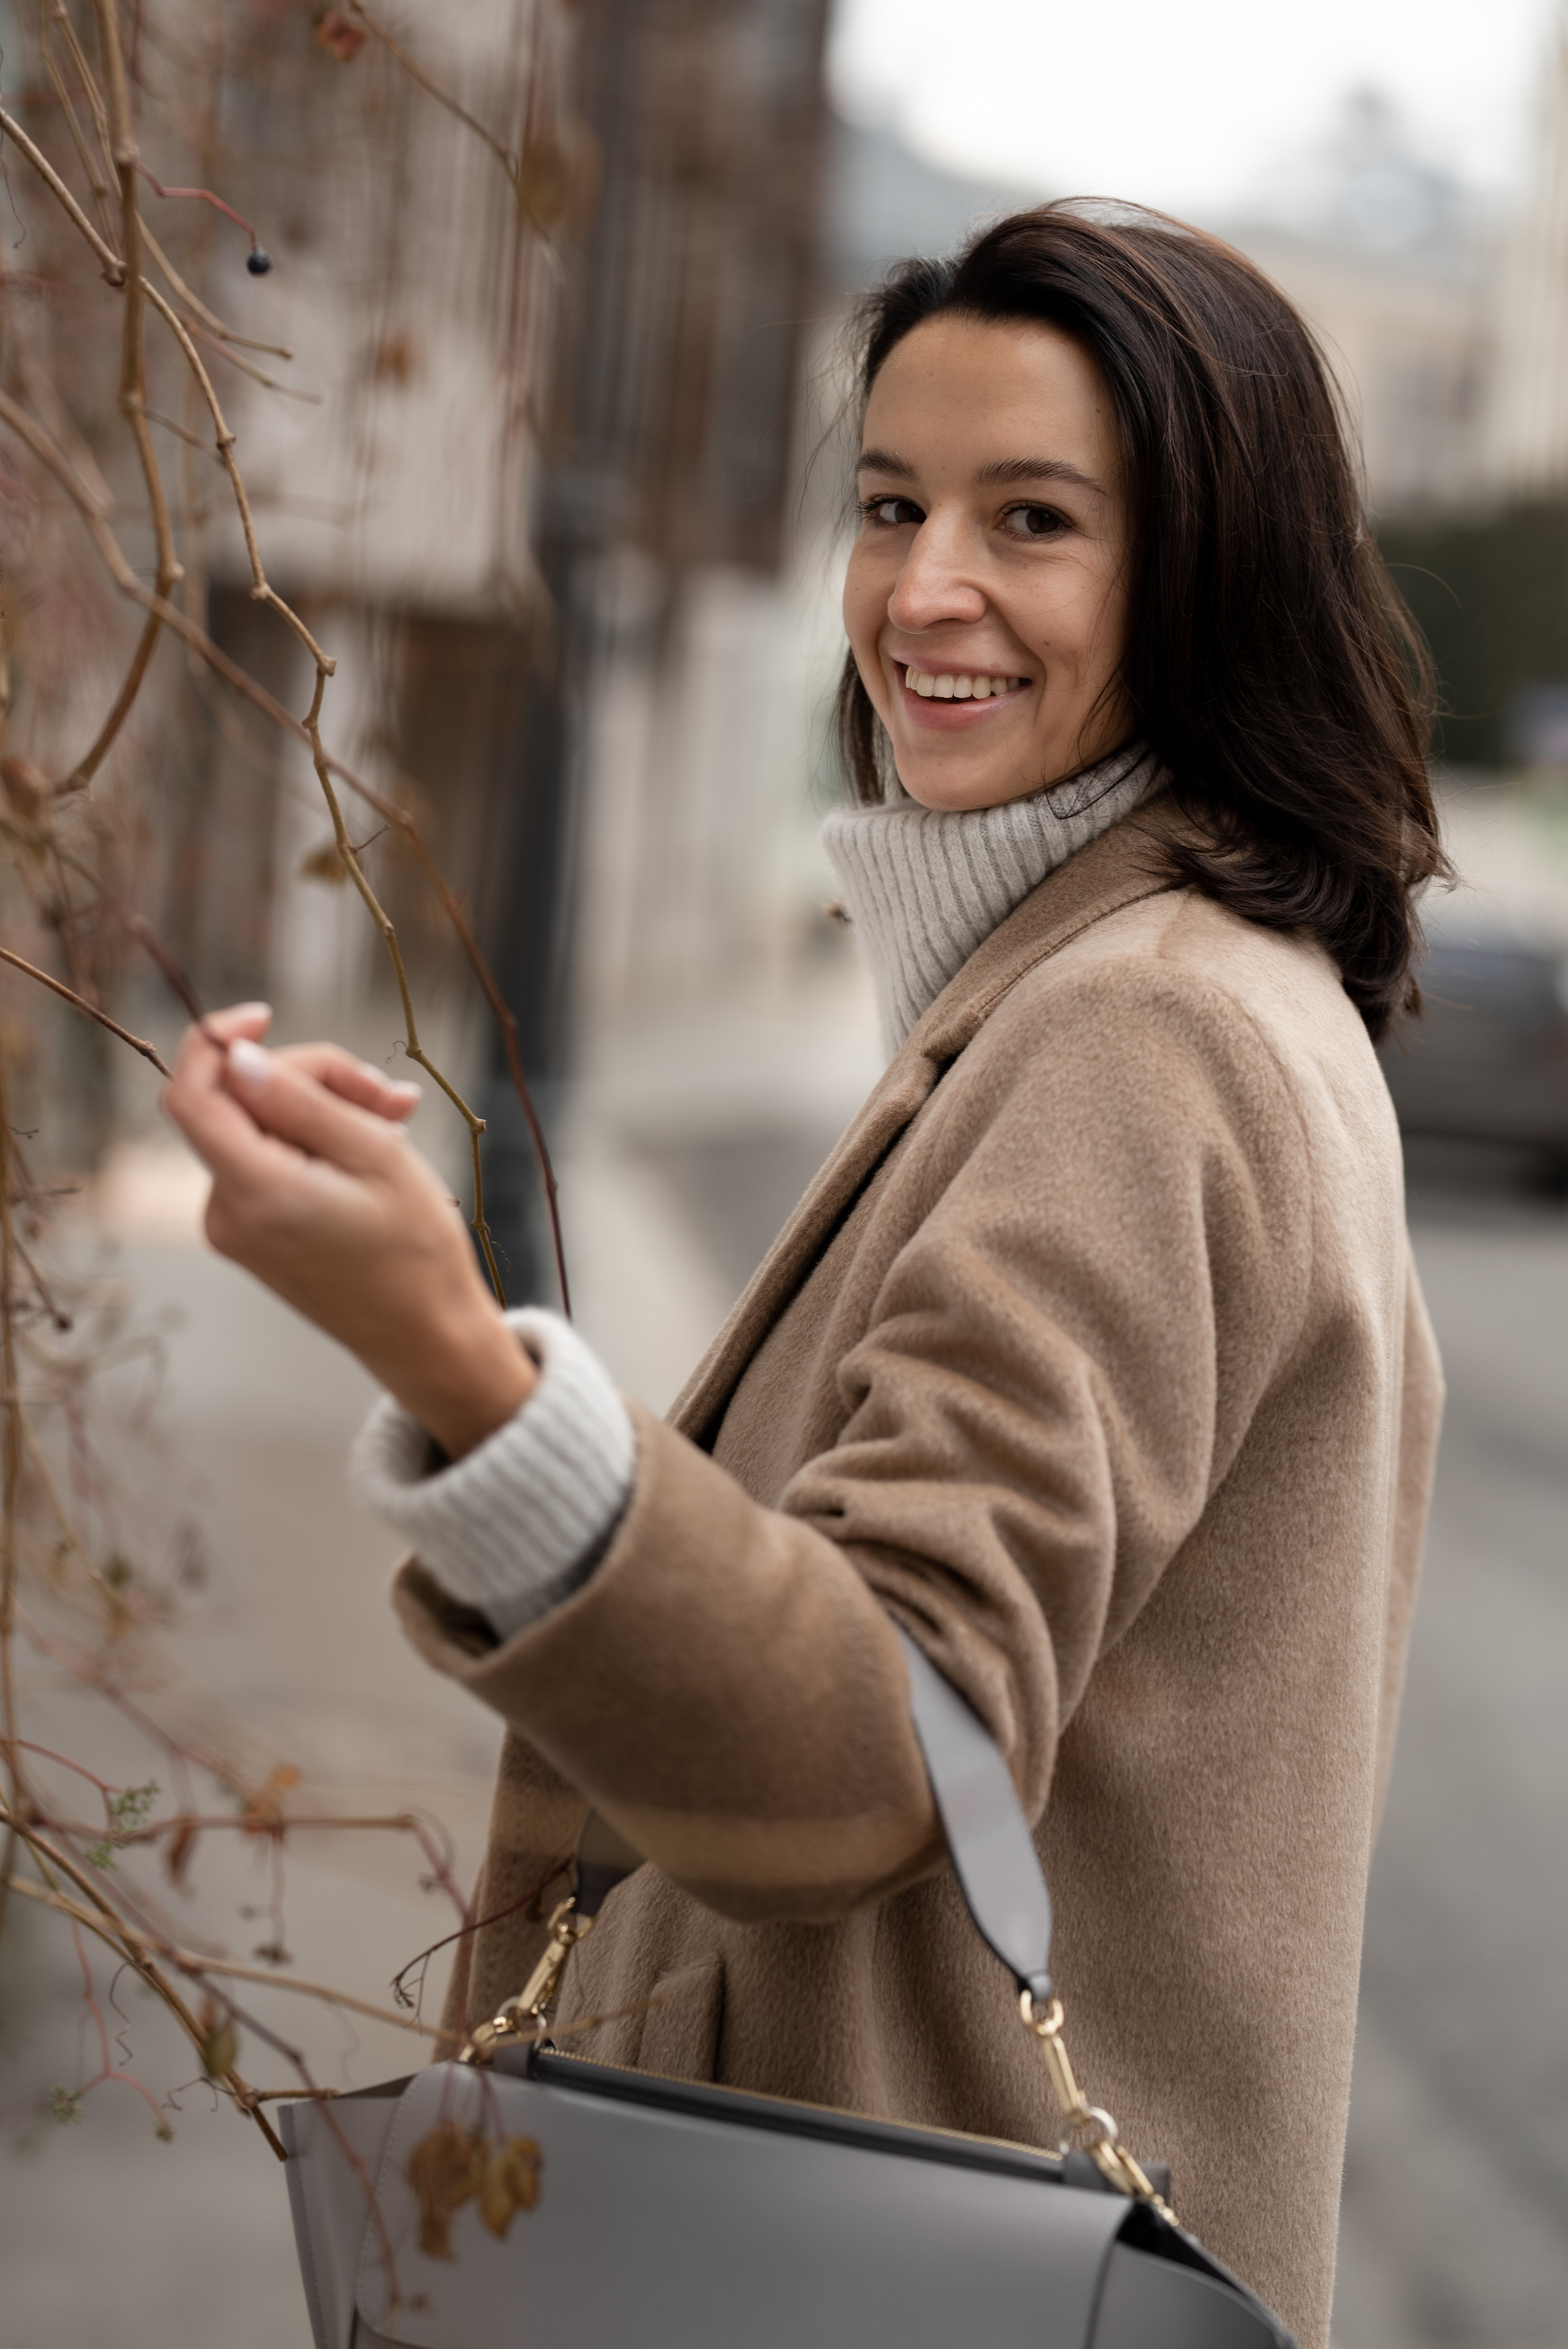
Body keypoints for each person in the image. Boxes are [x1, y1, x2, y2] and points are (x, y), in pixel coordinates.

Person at [165, 202, 1447, 2349]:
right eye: (889, 502)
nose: (922, 588)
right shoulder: (1135, 994)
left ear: (1210, 574)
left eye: (1031, 519)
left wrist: (460, 1367)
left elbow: (878, 1750)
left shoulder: (1147, 1030)